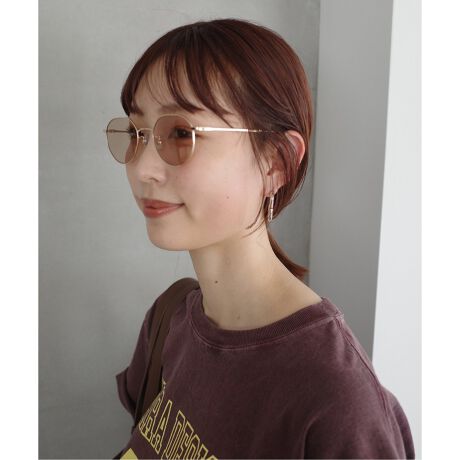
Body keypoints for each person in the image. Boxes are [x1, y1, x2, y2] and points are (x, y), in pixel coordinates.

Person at [106, 18, 415, 459]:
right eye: (138, 134)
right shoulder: (168, 321)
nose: (142, 169)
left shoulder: (337, 403)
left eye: (180, 134)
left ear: (277, 161)